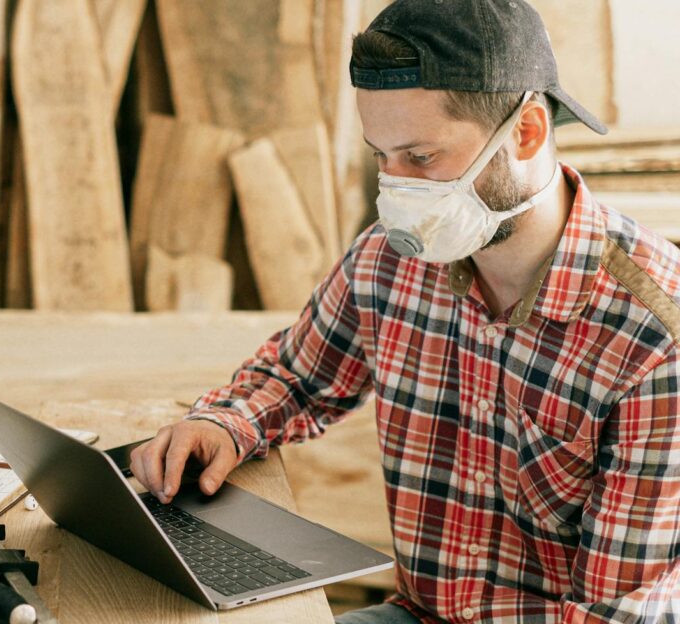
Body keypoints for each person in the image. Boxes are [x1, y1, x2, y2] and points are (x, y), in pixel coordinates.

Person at [129, 1, 680, 621]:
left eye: (420, 159)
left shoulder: (654, 342)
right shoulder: (392, 260)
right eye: (380, 158)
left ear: (526, 131)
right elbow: (297, 378)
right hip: (418, 613)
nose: (397, 192)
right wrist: (225, 423)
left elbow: (614, 615)